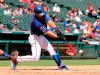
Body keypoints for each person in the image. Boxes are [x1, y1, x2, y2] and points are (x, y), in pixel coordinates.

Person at [12, 5, 68, 70]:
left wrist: (56, 29)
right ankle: (16, 58)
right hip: (34, 38)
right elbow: (47, 32)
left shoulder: (43, 13)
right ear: (35, 13)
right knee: (35, 58)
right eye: (40, 14)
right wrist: (57, 36)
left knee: (51, 49)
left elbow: (50, 21)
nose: (42, 15)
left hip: (41, 37)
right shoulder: (36, 23)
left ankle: (61, 65)